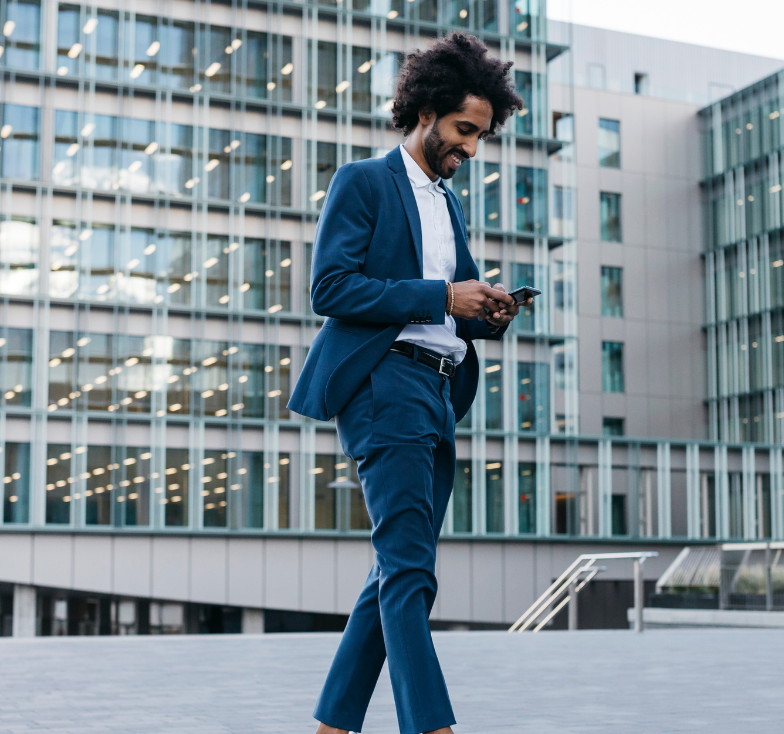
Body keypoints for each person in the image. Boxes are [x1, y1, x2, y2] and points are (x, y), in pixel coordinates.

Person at [286, 31, 528, 734]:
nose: (472, 149)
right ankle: (432, 727)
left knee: (397, 568)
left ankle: (335, 724)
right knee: (412, 571)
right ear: (426, 111)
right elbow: (331, 287)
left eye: (481, 135)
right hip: (381, 385)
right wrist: (441, 296)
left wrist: (489, 309)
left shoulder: (448, 205)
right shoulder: (363, 183)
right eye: (463, 131)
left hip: (437, 391)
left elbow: (452, 309)